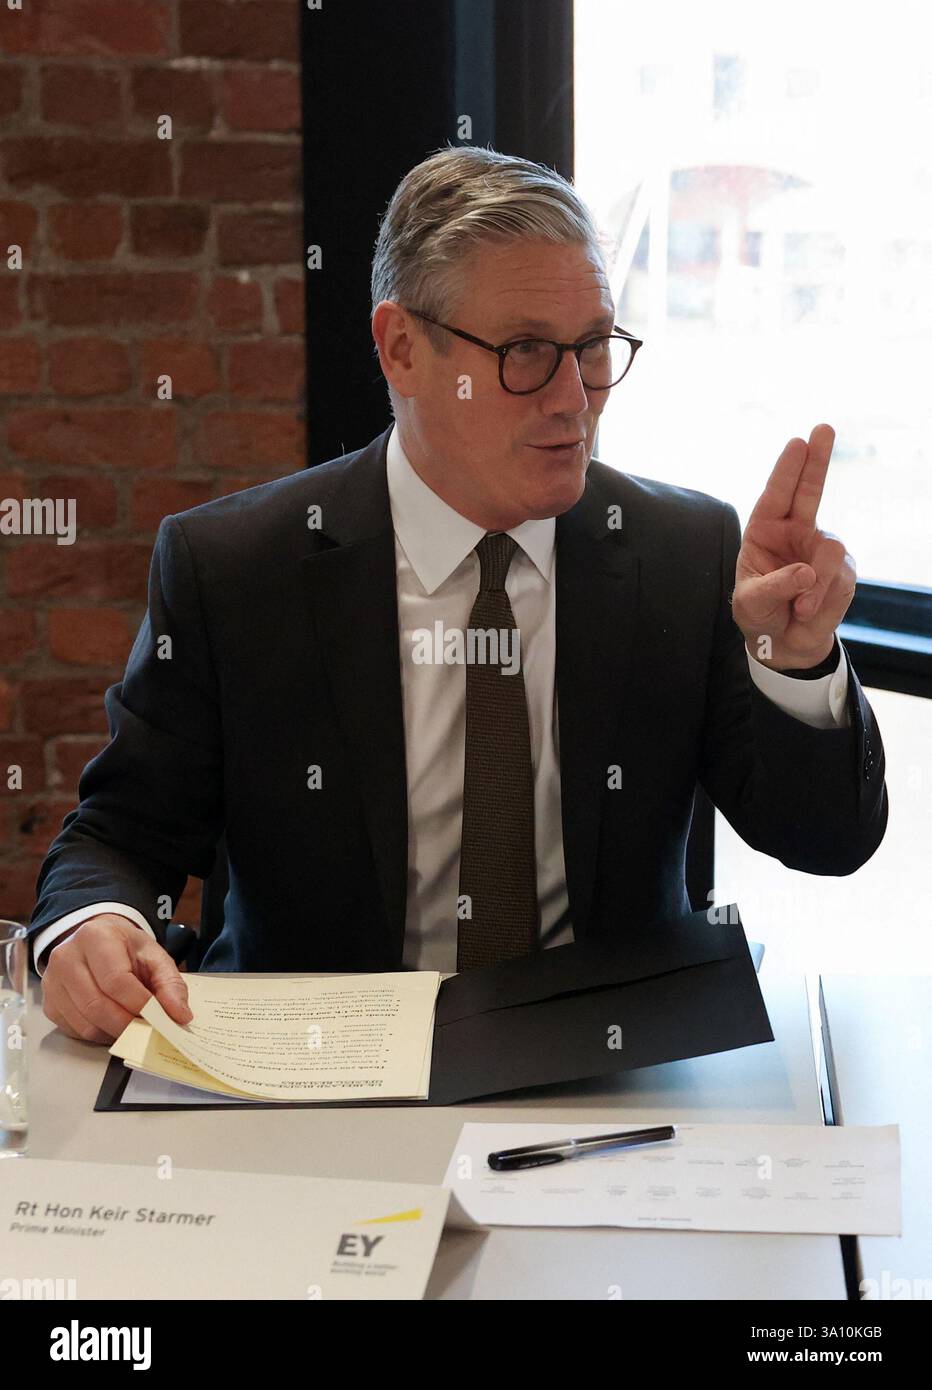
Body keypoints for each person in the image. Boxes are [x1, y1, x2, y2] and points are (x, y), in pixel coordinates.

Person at [29, 145, 887, 1045]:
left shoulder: (685, 553)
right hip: (318, 1080)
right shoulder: (237, 569)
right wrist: (95, 927)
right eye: (525, 352)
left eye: (594, 348)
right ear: (402, 349)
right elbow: (119, 838)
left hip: (606, 1079)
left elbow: (827, 842)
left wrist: (797, 663)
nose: (574, 400)